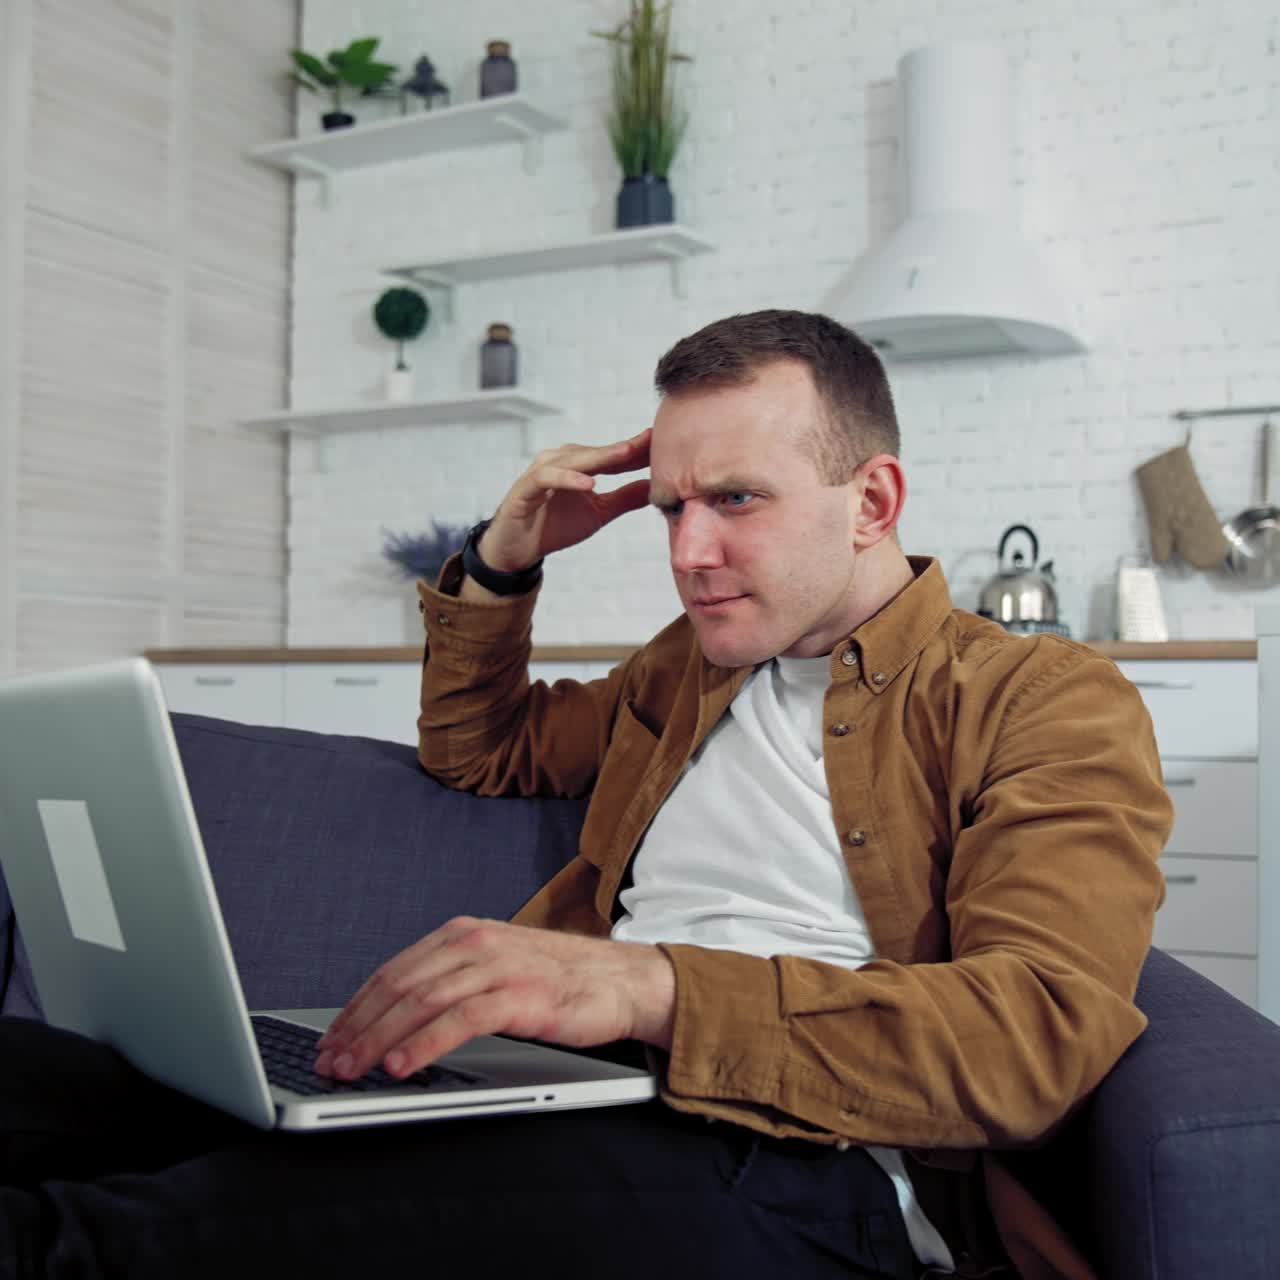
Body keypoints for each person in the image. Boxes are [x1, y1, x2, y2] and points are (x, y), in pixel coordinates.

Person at [0, 310, 1170, 1280]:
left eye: (735, 500)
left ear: (869, 500)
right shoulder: (687, 667)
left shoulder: (1039, 697)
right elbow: (484, 750)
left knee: (87, 1247)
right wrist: (506, 560)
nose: (685, 548)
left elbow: (1033, 1037)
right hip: (554, 1090)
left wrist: (645, 983)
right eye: (669, 505)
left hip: (795, 1165)